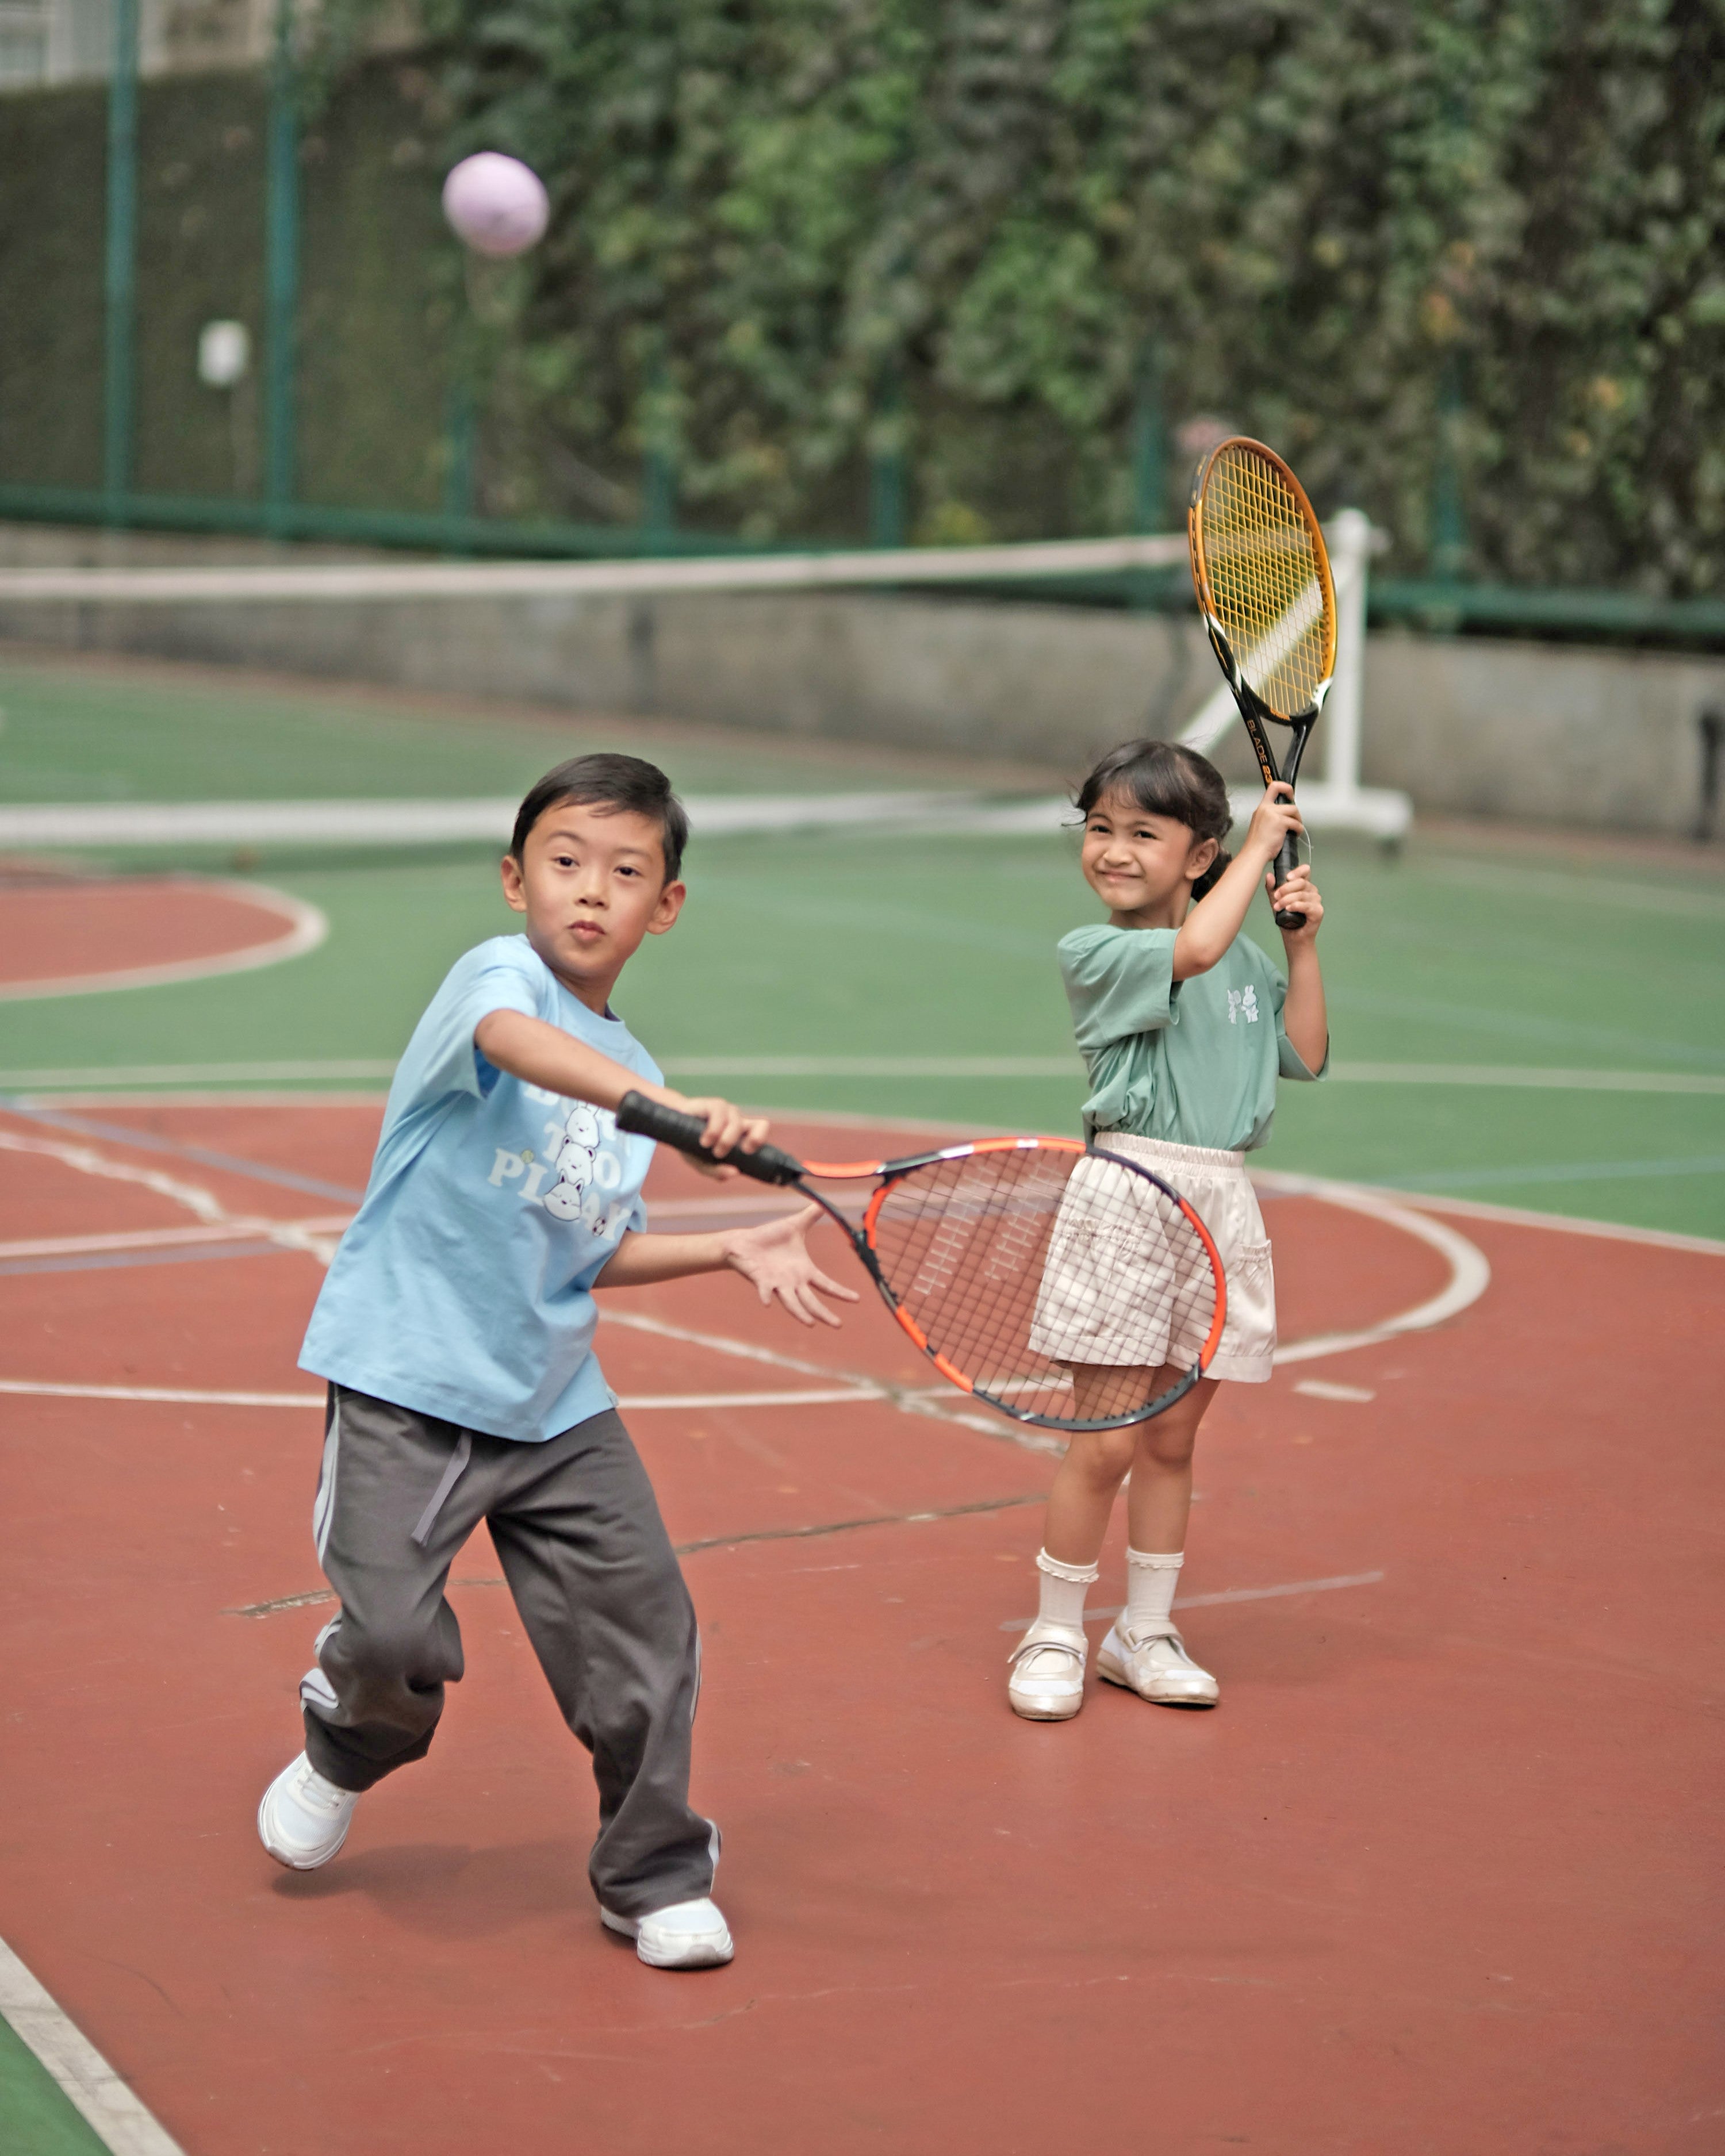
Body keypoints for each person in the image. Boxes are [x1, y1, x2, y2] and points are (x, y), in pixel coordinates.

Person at [256, 753, 856, 1969]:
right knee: (386, 1644)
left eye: (627, 872)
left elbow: (585, 1249)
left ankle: (651, 1873)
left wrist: (727, 1245)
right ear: (514, 879)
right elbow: (513, 1041)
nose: (592, 891)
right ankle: (348, 1745)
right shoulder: (499, 982)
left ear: (666, 905)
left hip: (553, 1403)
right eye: (567, 863)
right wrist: (673, 1111)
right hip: (410, 1380)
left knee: (646, 1638)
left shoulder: (622, 1058)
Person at [1008, 738, 1328, 1722]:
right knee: (1103, 1440)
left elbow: (1305, 1057)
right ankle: (1055, 1630)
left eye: (1142, 832)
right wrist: (1257, 847)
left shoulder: (1241, 955)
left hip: (1222, 1200)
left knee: (1175, 1439)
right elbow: (1187, 949)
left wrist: (1304, 945)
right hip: (1131, 1193)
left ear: (1196, 854)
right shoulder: (1097, 951)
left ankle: (1142, 1630)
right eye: (1099, 829)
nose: (1111, 849)